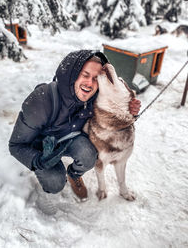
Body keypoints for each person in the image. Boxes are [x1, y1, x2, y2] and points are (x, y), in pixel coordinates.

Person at [9, 50, 141, 201]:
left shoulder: (93, 96)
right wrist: (38, 160)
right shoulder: (41, 101)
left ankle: (74, 175)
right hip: (43, 147)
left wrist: (130, 111)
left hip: (69, 139)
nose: (90, 83)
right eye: (85, 75)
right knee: (54, 183)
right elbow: (16, 145)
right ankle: (51, 173)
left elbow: (113, 112)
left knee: (89, 155)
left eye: (95, 78)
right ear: (72, 74)